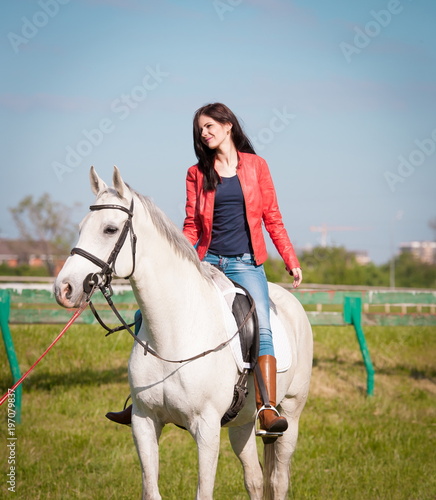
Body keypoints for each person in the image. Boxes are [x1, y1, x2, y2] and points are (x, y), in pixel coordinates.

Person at [106, 103, 302, 437]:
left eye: (209, 126)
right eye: (201, 129)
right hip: (206, 261)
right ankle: (139, 399)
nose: (204, 133)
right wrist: (178, 261)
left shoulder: (256, 167)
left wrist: (290, 258)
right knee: (145, 315)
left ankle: (267, 407)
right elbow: (191, 226)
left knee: (263, 327)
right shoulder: (196, 173)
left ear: (228, 127)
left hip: (245, 263)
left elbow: (272, 217)